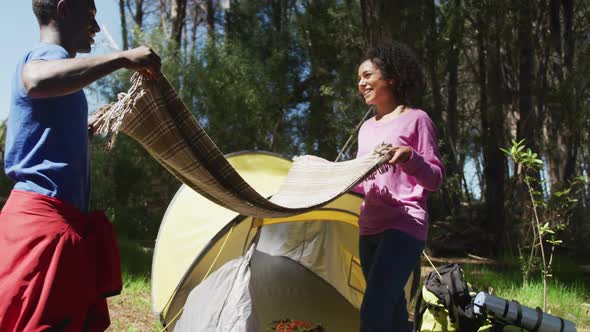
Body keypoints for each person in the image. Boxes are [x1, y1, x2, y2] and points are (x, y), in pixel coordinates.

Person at [0, 0, 161, 330]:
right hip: (42, 229)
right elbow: (35, 80)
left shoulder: (65, 80)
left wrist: (83, 127)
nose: (98, 28)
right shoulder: (46, 57)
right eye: (90, 15)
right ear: (63, 9)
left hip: (52, 223)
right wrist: (122, 58)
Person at [354, 43, 444, 332]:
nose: (361, 83)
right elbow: (362, 181)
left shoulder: (417, 119)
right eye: (359, 78)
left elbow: (435, 178)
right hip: (369, 228)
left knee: (374, 309)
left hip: (404, 226)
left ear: (390, 78)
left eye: (368, 75)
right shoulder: (366, 129)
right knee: (392, 311)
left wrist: (410, 157)